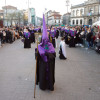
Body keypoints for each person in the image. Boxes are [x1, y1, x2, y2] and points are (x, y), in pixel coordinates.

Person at [36, 15, 56, 91]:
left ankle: (50, 85)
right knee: (43, 74)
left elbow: (54, 54)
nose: (45, 41)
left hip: (49, 64)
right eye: (44, 39)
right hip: (43, 64)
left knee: (49, 75)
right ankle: (43, 86)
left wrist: (48, 54)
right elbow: (37, 57)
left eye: (46, 39)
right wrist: (37, 53)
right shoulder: (40, 46)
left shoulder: (50, 45)